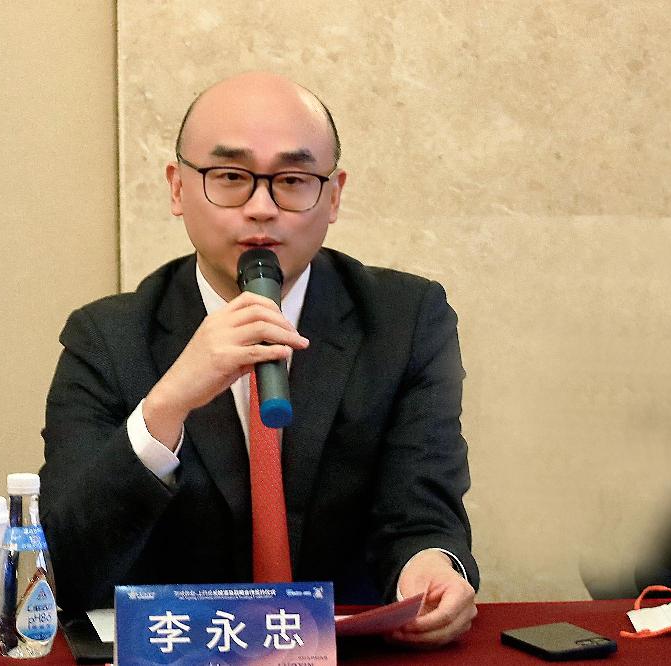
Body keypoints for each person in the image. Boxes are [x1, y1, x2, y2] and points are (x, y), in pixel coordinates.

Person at [40, 71, 478, 647]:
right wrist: (166, 406)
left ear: (333, 195)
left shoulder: (406, 320)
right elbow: (67, 567)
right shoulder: (106, 338)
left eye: (293, 181)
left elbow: (421, 509)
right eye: (230, 177)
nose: (262, 208)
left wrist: (428, 566)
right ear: (177, 188)